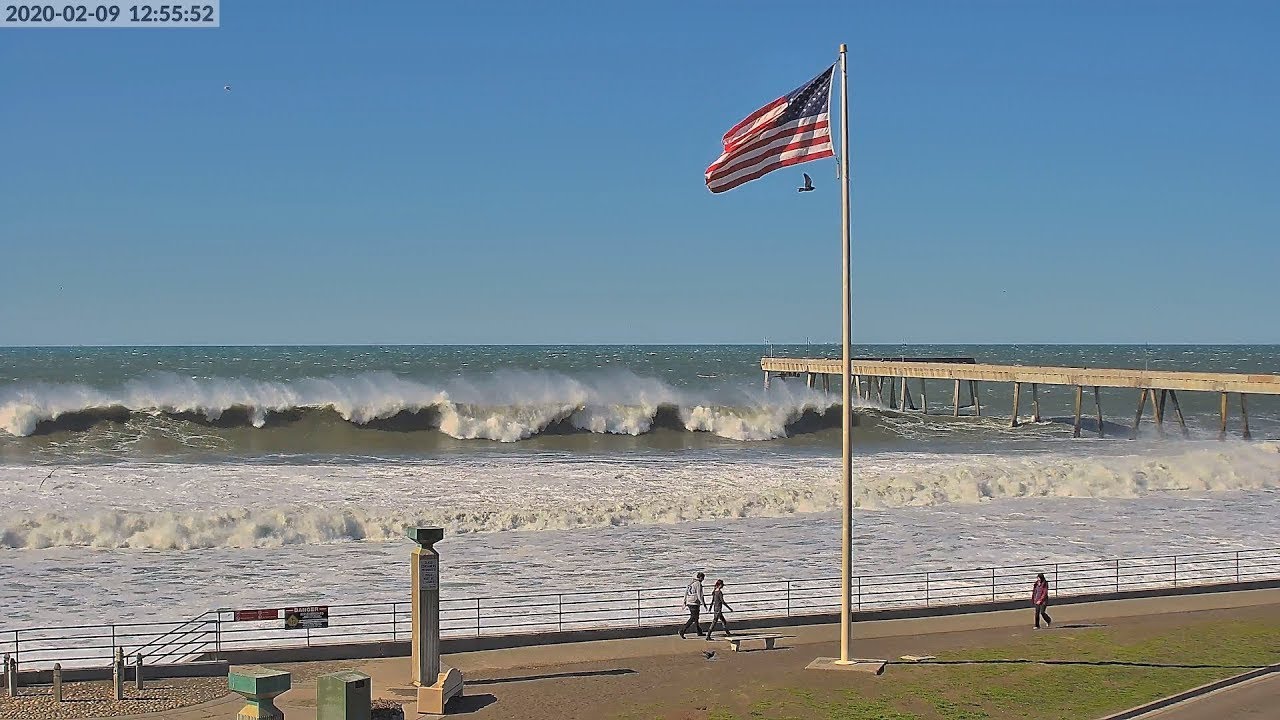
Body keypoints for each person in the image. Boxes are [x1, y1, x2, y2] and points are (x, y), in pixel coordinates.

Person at [680, 572, 708, 638]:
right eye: (703, 578)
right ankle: (682, 630)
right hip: (694, 602)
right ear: (700, 577)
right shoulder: (698, 584)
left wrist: (685, 601)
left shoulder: (691, 583)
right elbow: (700, 595)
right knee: (693, 617)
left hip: (689, 601)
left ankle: (699, 632)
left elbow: (686, 592)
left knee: (696, 618)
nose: (703, 580)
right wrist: (704, 604)